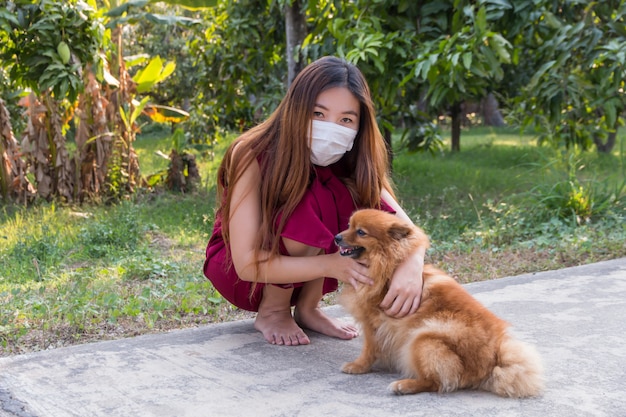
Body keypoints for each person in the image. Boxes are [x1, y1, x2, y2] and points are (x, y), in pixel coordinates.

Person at [203, 56, 425, 346]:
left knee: (339, 197)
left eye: (346, 119)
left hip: (308, 273)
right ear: (297, 109)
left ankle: (308, 308)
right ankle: (273, 310)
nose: (331, 127)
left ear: (359, 126)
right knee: (306, 198)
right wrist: (331, 265)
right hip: (243, 275)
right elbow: (245, 263)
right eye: (318, 114)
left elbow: (407, 230)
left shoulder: (352, 159)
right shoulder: (251, 152)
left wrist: (412, 266)